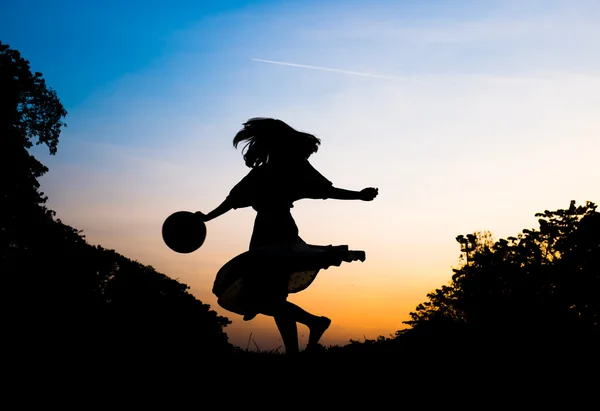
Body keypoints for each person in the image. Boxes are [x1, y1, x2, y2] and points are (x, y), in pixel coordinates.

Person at [197, 118, 378, 355]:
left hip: (272, 235)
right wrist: (359, 196)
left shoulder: (275, 172)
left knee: (266, 299)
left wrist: (358, 195)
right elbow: (233, 201)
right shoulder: (285, 171)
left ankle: (314, 323)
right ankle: (294, 349)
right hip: (275, 233)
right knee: (274, 297)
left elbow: (232, 202)